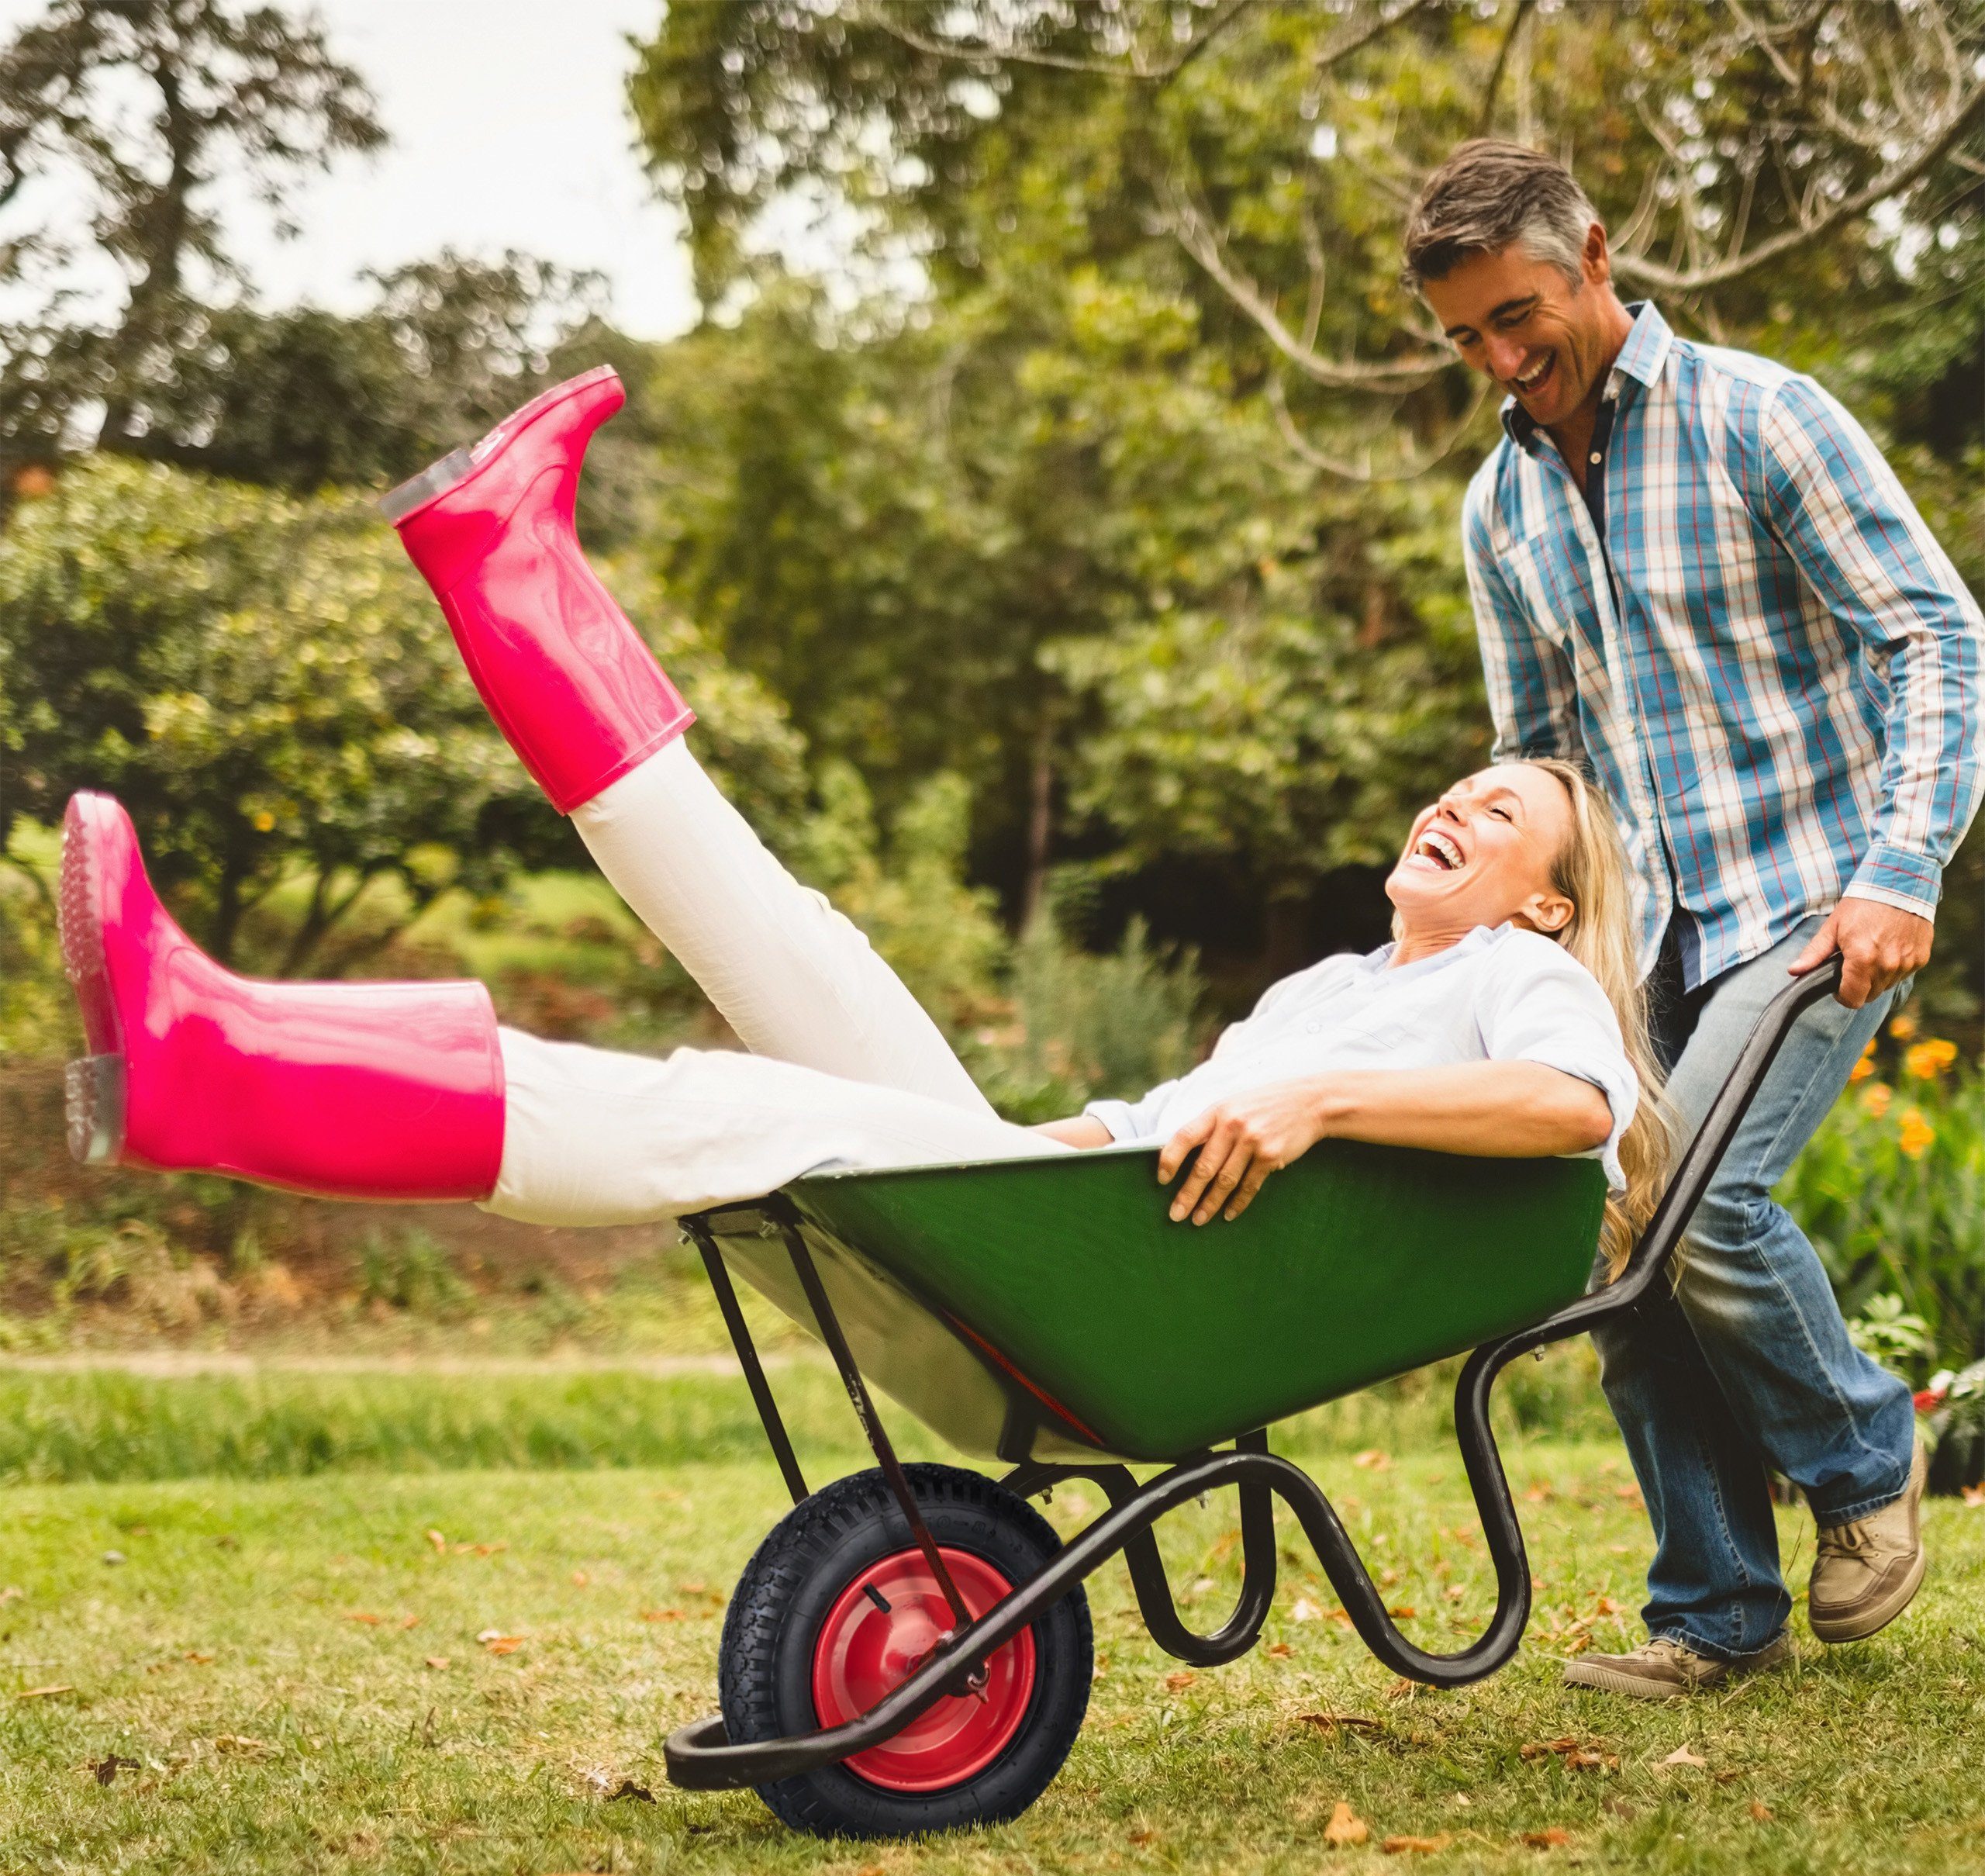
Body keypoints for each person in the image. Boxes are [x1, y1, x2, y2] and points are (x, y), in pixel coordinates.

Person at [62, 370, 1653, 1271]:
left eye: (1500, 806)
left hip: (1107, 1272)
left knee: (723, 1110)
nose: (1456, 795)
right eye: (1458, 781)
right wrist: (1071, 1136)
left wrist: (1314, 1108)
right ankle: (503, 561)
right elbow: (1153, 1117)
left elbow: (1576, 1112)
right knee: (779, 927)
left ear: (1536, 897)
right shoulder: (1332, 989)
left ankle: (225, 1072)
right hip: (1064, 1205)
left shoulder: (1511, 984)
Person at [1404, 139, 1985, 1697]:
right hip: (1636, 928)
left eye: (1515, 314)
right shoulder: (1497, 509)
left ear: (1591, 256)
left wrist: (1899, 865)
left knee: (1707, 1195)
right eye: (1464, 337)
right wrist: (1513, 932)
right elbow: (1542, 757)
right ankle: (1714, 1612)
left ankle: (1867, 1461)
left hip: (1810, 891)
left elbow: (1930, 630)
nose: (1498, 358)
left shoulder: (1758, 418)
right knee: (1617, 1236)